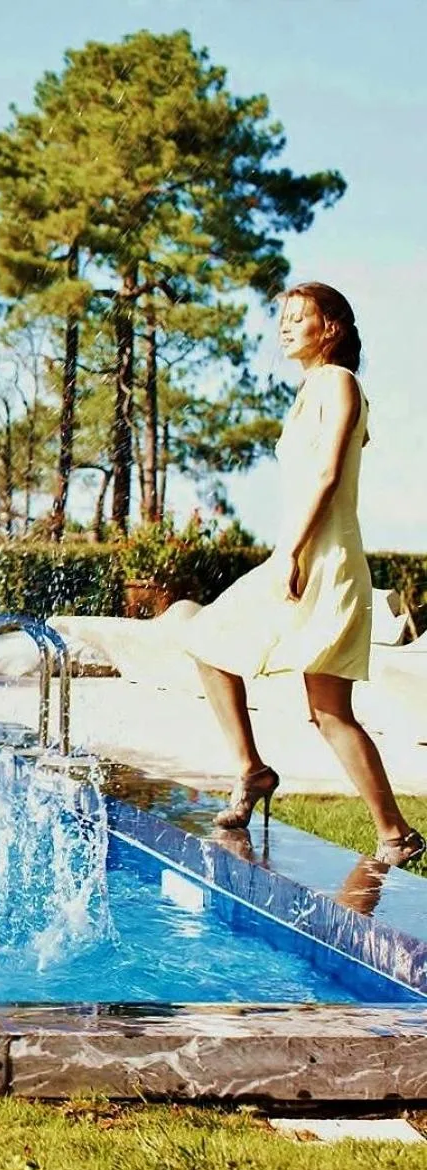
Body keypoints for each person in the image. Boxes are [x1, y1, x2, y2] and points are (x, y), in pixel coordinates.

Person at [180, 282, 422, 866]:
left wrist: (291, 552)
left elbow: (329, 475)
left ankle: (396, 834)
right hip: (299, 552)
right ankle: (255, 772)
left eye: (298, 318)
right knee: (205, 640)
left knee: (329, 710)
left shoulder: (339, 382)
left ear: (331, 328)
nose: (285, 327)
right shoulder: (312, 387)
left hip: (324, 560)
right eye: (282, 318)